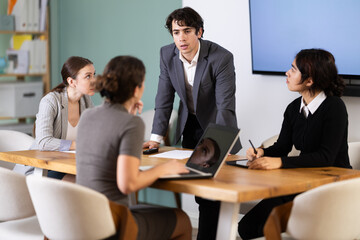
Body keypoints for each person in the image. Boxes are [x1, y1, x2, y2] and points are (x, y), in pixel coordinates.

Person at [142, 7, 241, 239]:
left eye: (187, 31)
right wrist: (156, 138)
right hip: (190, 125)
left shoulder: (221, 57)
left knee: (211, 193)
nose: (181, 38)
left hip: (217, 126)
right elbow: (164, 99)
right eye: (176, 32)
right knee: (197, 188)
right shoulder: (167, 54)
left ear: (199, 32)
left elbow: (225, 106)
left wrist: (222, 146)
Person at [238, 48, 351, 239]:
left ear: (309, 80)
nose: (287, 73)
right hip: (302, 181)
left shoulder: (334, 107)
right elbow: (283, 146)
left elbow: (326, 157)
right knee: (247, 227)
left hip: (331, 185)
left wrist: (280, 162)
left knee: (264, 228)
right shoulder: (293, 108)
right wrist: (262, 152)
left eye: (293, 69)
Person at [76, 56, 192, 240]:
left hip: (84, 217)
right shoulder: (132, 123)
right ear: (137, 90)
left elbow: (112, 143)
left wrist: (128, 112)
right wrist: (164, 168)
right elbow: (127, 184)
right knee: (183, 220)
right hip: (112, 222)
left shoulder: (88, 115)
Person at [18, 56, 95, 179]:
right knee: (88, 184)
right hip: (42, 170)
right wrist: (80, 144)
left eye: (94, 75)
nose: (94, 80)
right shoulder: (51, 101)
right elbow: (43, 142)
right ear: (71, 82)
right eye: (88, 76)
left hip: (68, 165)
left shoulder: (86, 101)